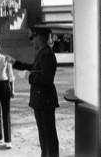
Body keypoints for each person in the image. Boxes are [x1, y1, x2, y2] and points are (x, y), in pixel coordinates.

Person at [13, 27, 60, 157]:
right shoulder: (43, 52)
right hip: (42, 100)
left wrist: (29, 76)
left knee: (47, 135)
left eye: (33, 39)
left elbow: (46, 78)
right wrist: (15, 63)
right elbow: (33, 67)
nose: (32, 42)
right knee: (45, 136)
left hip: (44, 100)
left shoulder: (46, 54)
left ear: (39, 38)